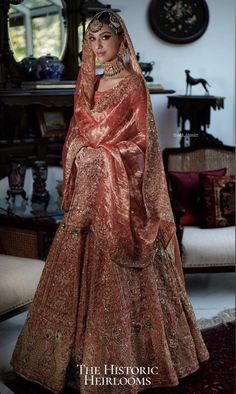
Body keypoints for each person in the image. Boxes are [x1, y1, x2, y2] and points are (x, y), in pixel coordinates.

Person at [11, 10, 209, 394]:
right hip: (89, 194)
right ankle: (69, 360)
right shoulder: (91, 86)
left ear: (121, 40)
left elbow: (143, 147)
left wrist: (105, 156)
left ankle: (136, 362)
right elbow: (76, 136)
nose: (98, 46)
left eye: (105, 37)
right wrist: (84, 150)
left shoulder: (134, 84)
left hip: (120, 199)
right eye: (92, 39)